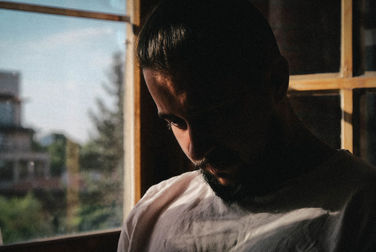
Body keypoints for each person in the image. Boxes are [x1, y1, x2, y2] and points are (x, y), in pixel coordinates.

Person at [118, 0, 376, 251]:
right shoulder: (152, 213)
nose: (195, 150)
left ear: (276, 81)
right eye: (176, 121)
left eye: (213, 114)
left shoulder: (361, 211)